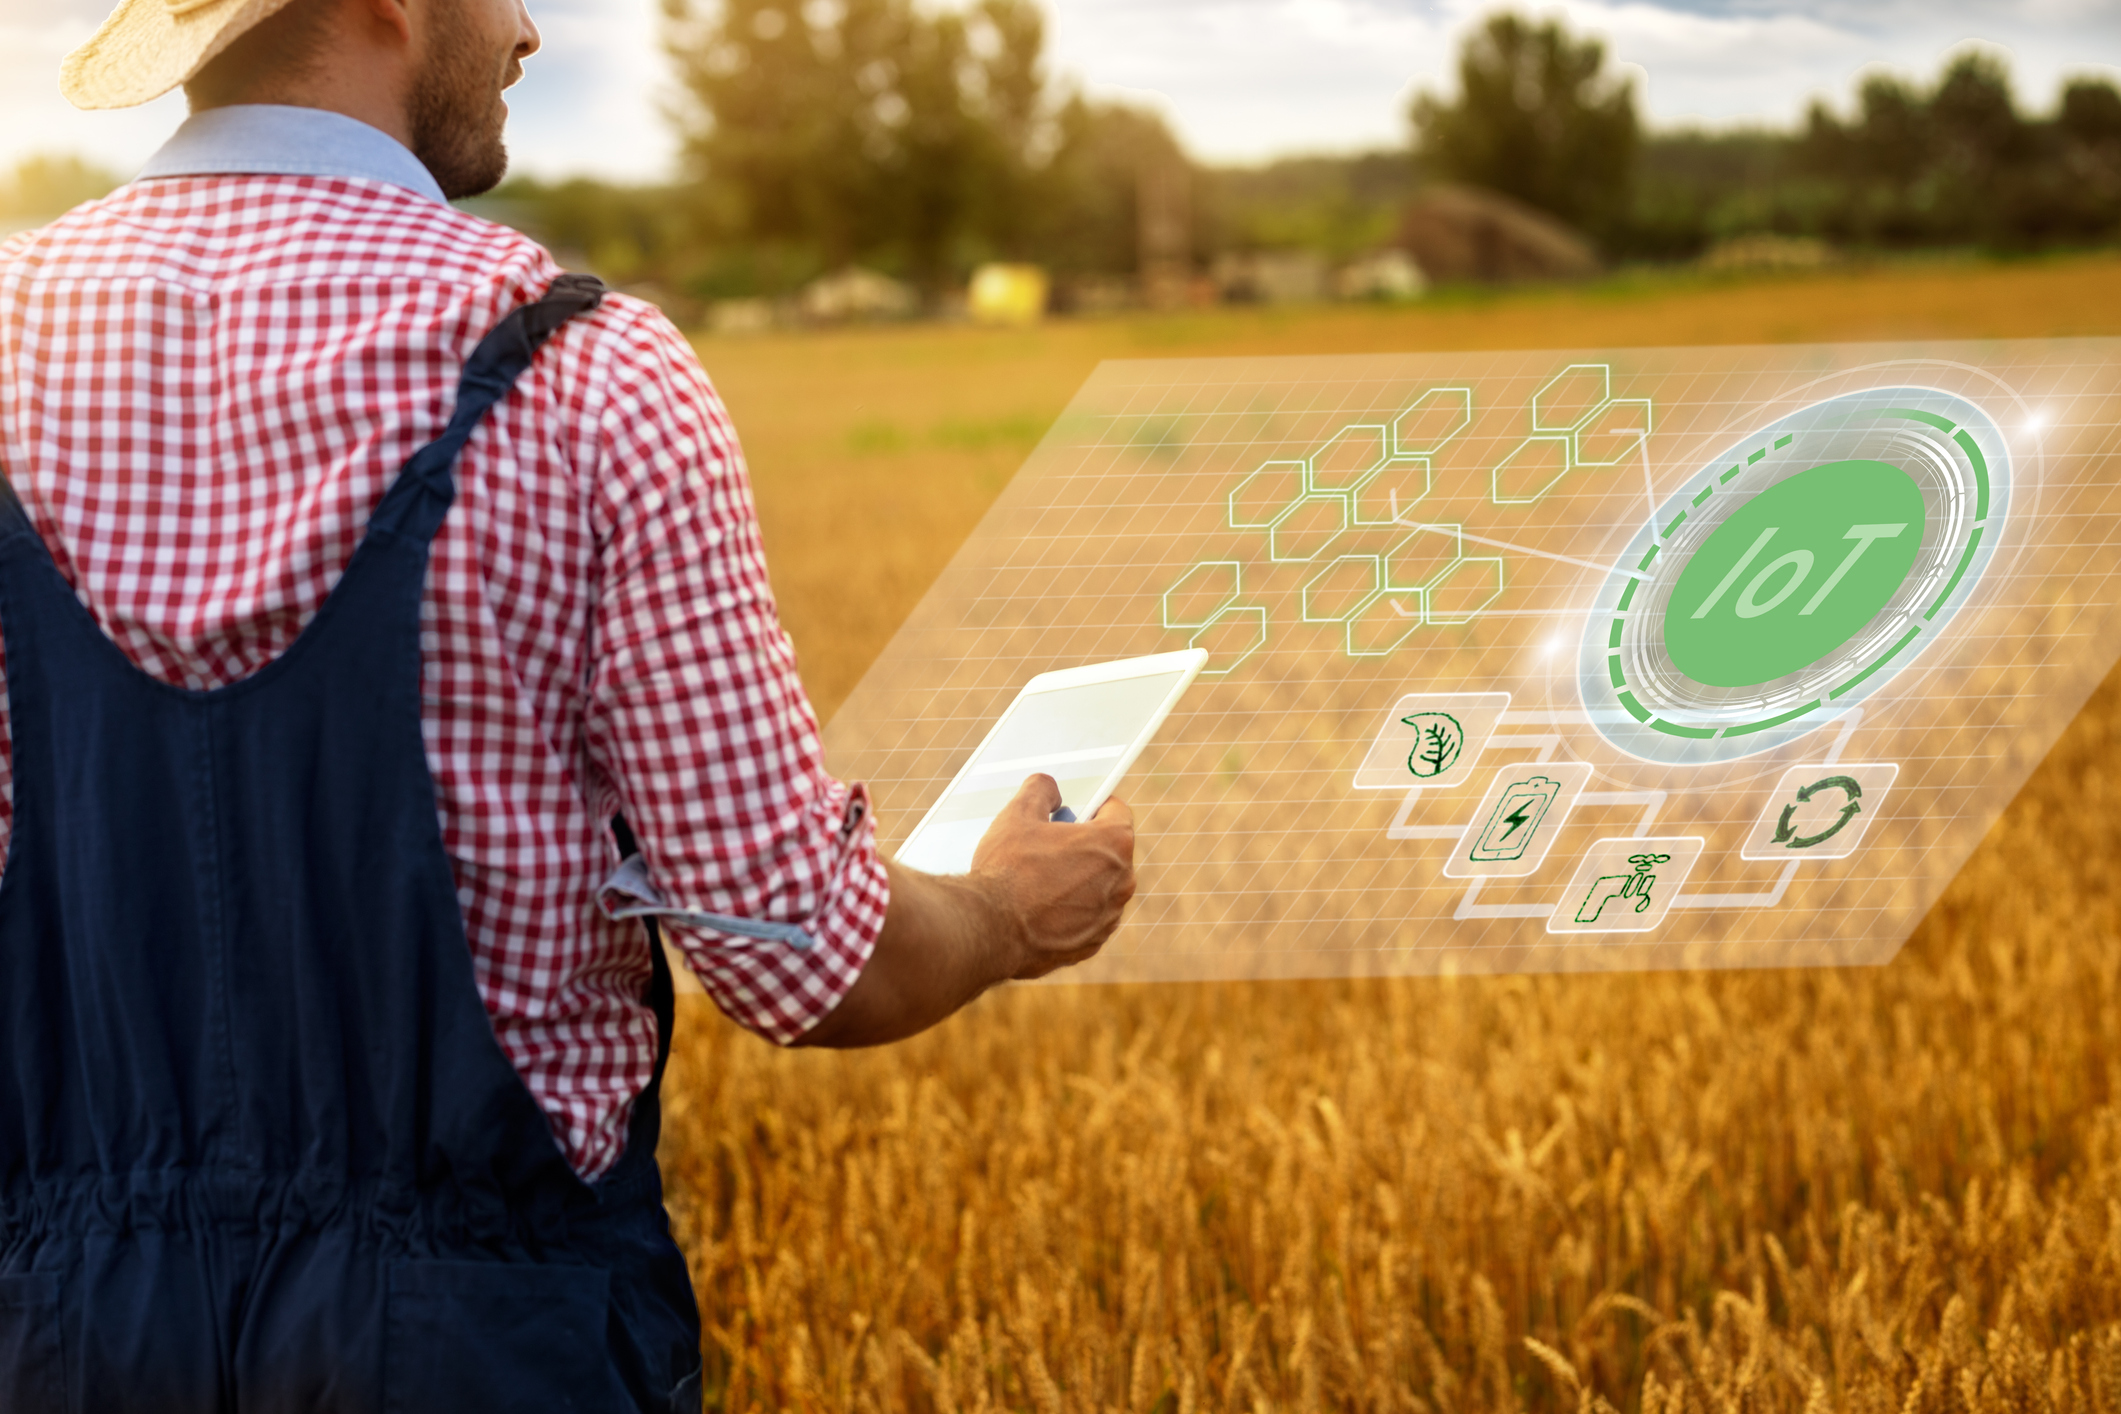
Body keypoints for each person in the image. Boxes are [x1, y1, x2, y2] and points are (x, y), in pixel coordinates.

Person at [0, 0, 1136, 1408]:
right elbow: (800, 954)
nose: (529, 30)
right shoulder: (586, 375)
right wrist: (1007, 913)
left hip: (57, 1340)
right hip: (480, 1347)